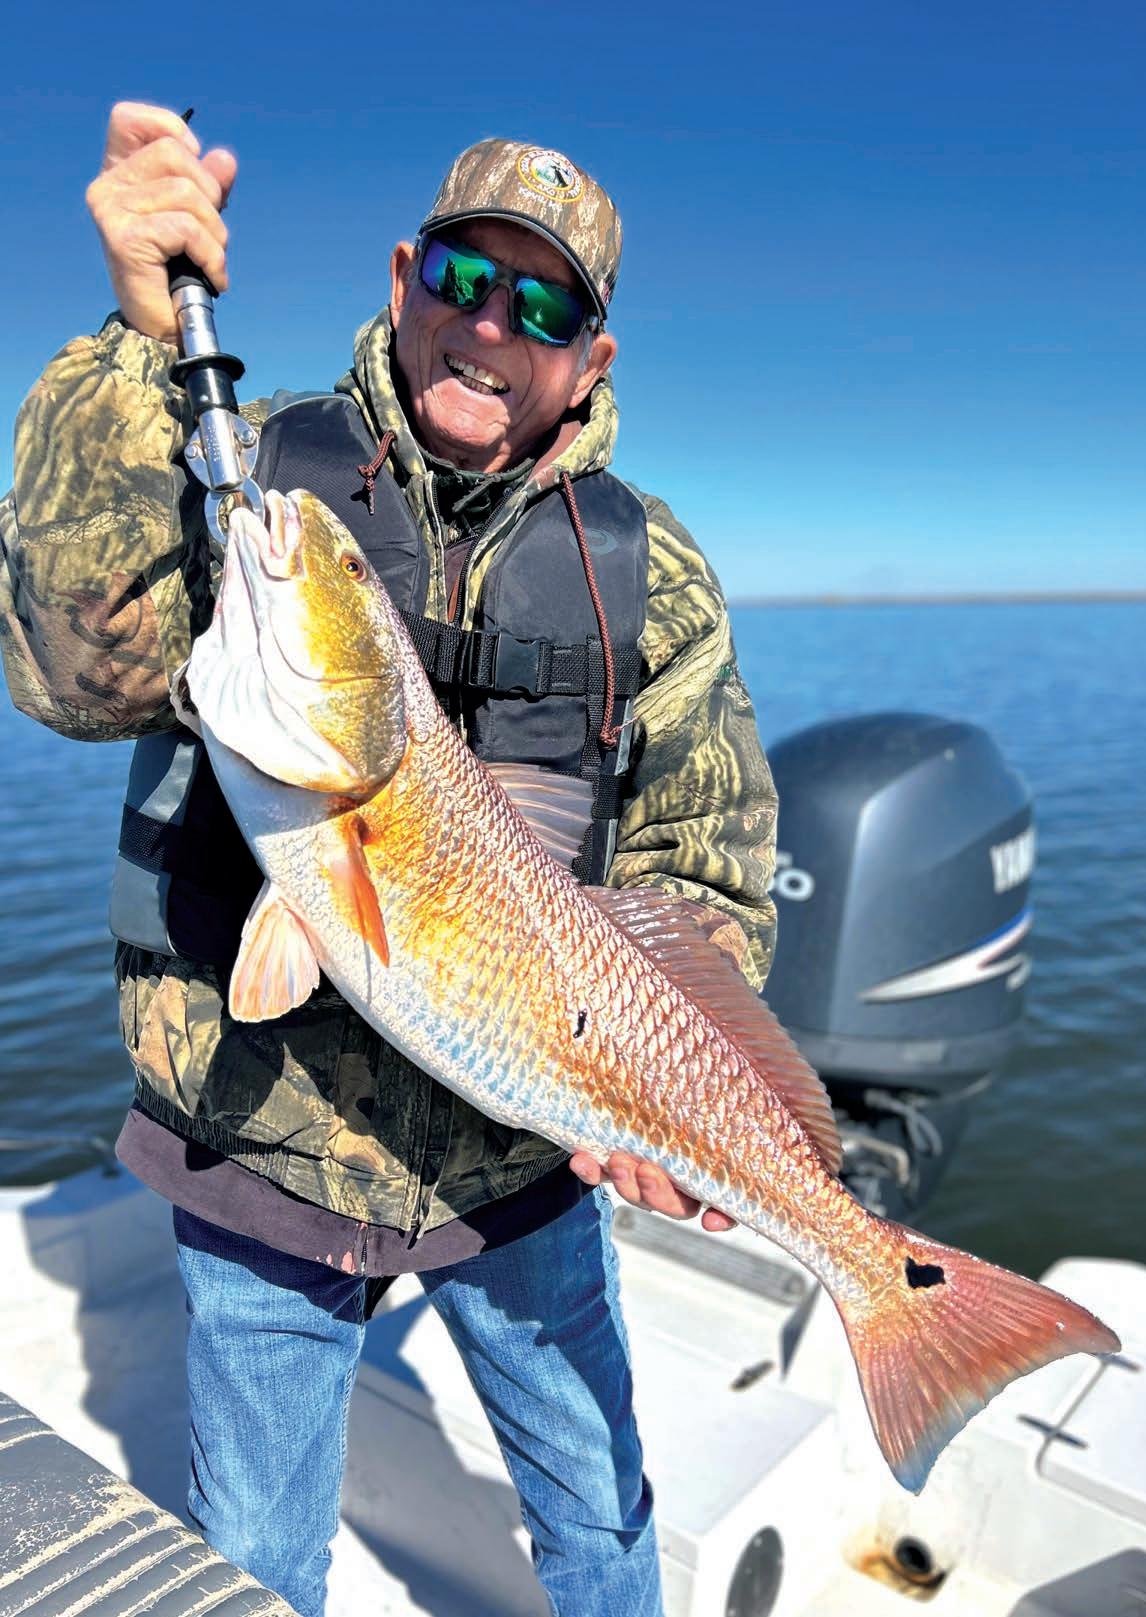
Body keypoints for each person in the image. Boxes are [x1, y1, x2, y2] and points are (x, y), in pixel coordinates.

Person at [0, 102, 778, 1617]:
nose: (491, 326)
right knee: (255, 1555)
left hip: (528, 1153)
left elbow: (707, 858)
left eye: (544, 306)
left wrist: (662, 1077)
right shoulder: (249, 482)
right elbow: (73, 674)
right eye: (465, 279)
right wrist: (136, 344)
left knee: (602, 1513)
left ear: (592, 360)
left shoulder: (656, 574)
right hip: (262, 1148)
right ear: (405, 277)